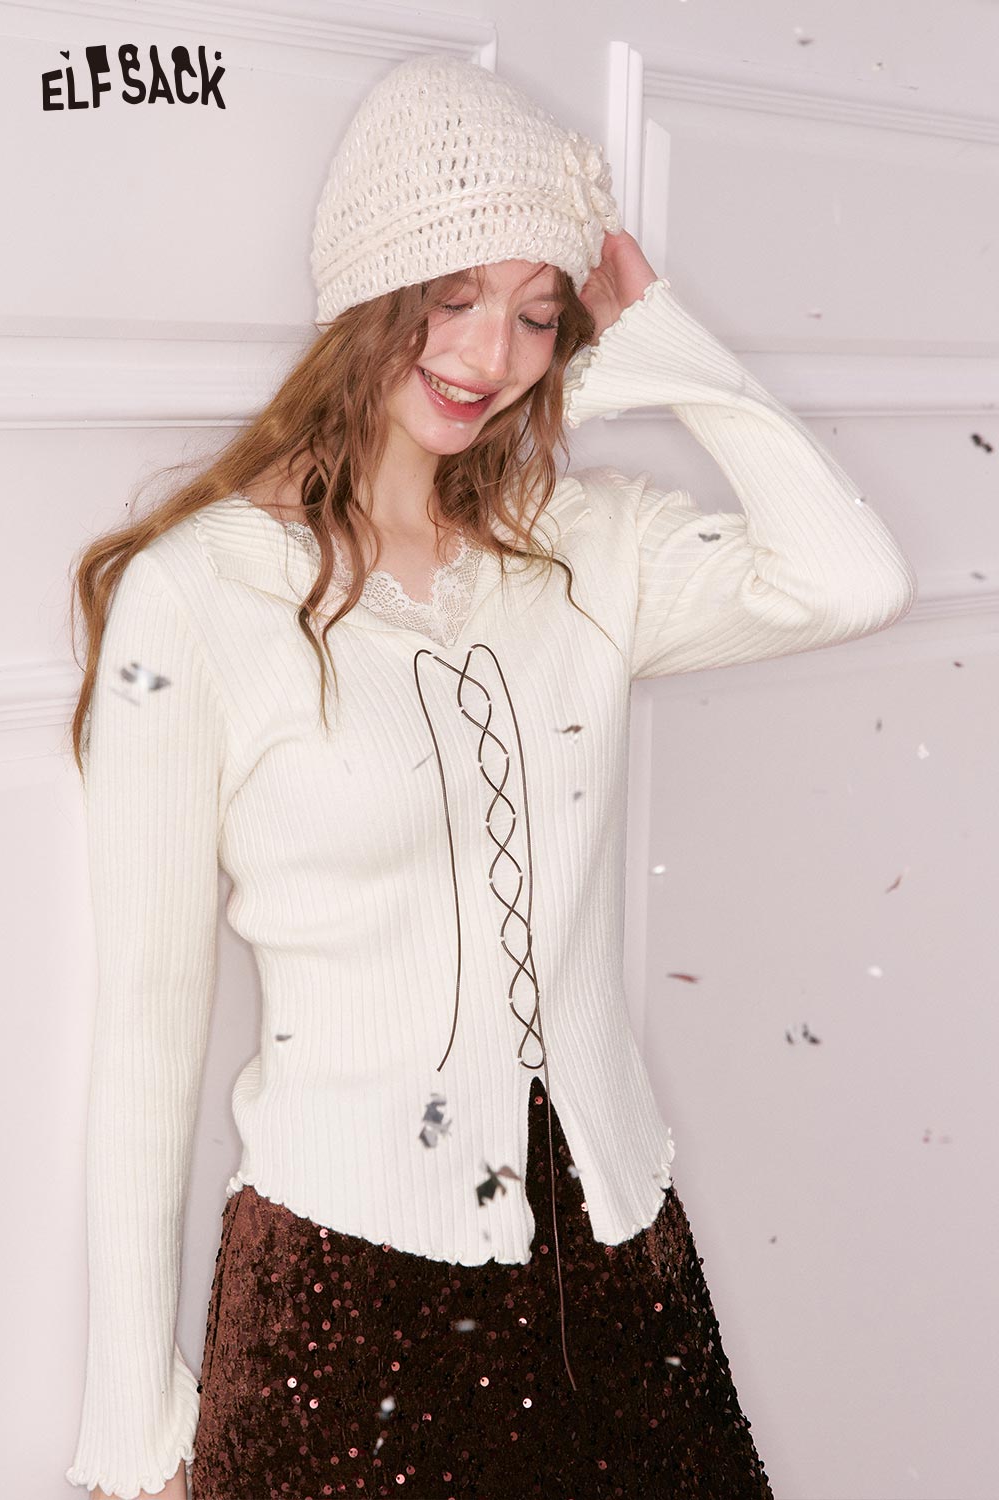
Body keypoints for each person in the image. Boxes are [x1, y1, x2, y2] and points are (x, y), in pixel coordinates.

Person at [64, 51, 916, 1500]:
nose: (493, 354)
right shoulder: (197, 598)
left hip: (616, 1268)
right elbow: (145, 1027)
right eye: (453, 297)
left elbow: (854, 579)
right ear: (368, 292)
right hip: (341, 1297)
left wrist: (671, 348)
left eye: (537, 313)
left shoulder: (586, 549)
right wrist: (134, 1417)